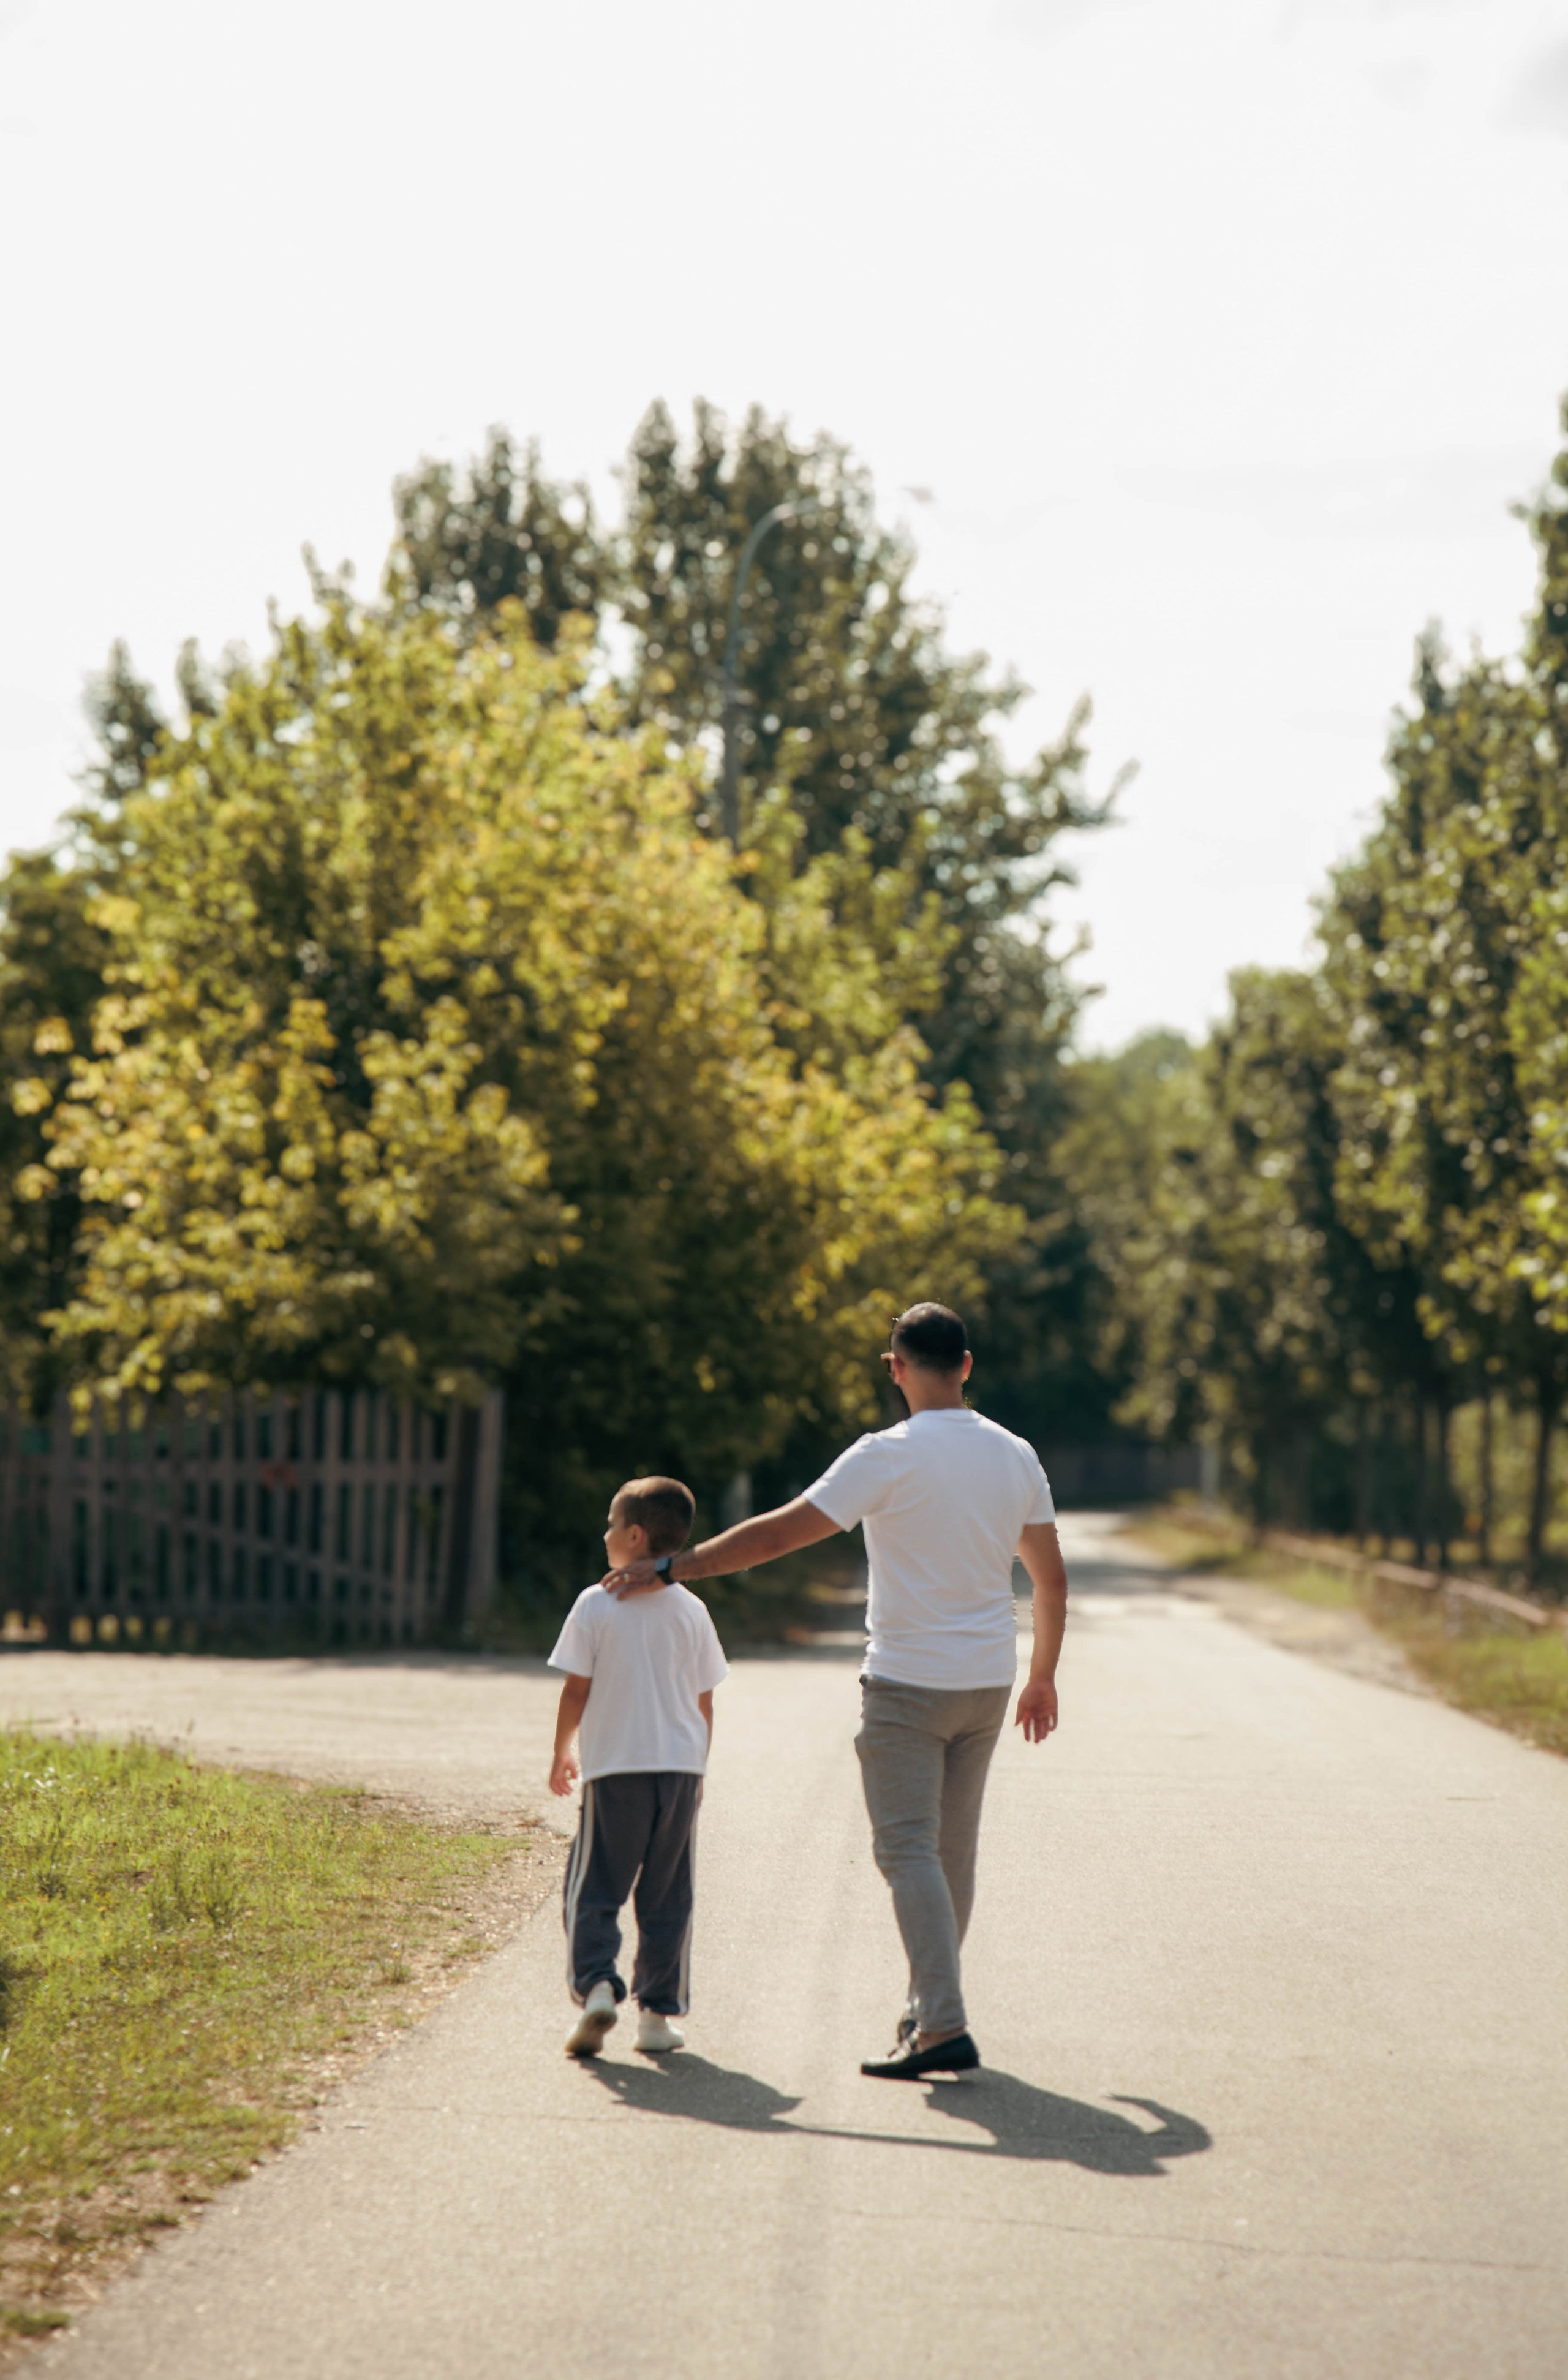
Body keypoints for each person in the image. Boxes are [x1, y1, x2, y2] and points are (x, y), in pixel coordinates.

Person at [601, 1303, 1068, 2082]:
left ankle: (942, 2021)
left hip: (907, 1685)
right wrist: (1043, 1675)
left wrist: (675, 1567)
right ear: (966, 1365)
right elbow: (1049, 1580)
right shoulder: (1014, 1454)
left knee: (908, 1850)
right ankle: (926, 2014)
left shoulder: (884, 1455)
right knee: (950, 1855)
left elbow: (780, 1534)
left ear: (895, 1367)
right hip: (987, 1683)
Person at [549, 1475, 728, 2060]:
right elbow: (704, 1701)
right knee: (668, 1894)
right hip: (678, 1771)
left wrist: (562, 1751)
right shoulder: (693, 1609)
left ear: (633, 1534)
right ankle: (657, 2016)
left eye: (609, 1523)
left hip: (617, 1770)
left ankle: (598, 1983)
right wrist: (696, 1771)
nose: (604, 1534)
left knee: (594, 1883)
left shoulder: (595, 1603)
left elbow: (577, 1690)